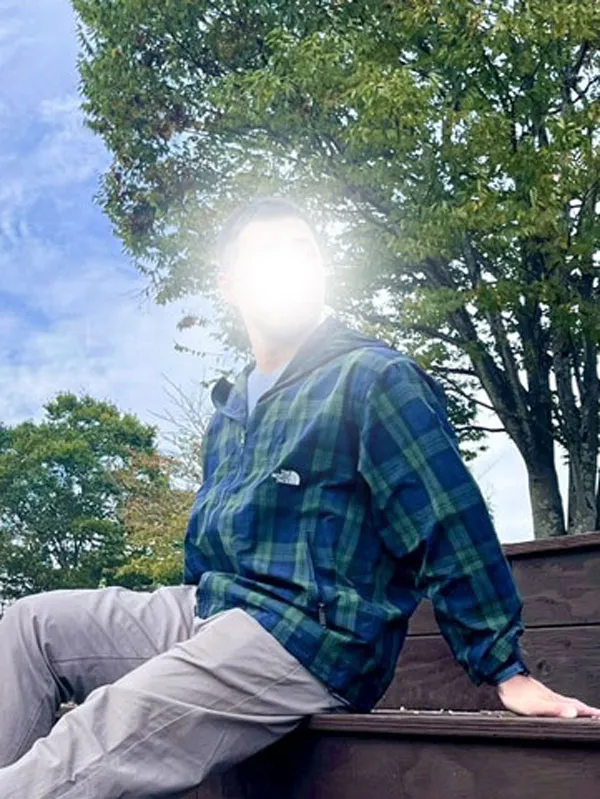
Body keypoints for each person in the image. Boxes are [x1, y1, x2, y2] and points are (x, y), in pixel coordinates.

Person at [0, 197, 598, 798]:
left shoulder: (371, 377)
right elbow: (210, 546)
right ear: (231, 285)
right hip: (212, 610)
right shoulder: (230, 411)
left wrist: (505, 668)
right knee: (29, 625)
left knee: (98, 730)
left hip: (309, 634)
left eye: (302, 253)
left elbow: (447, 520)